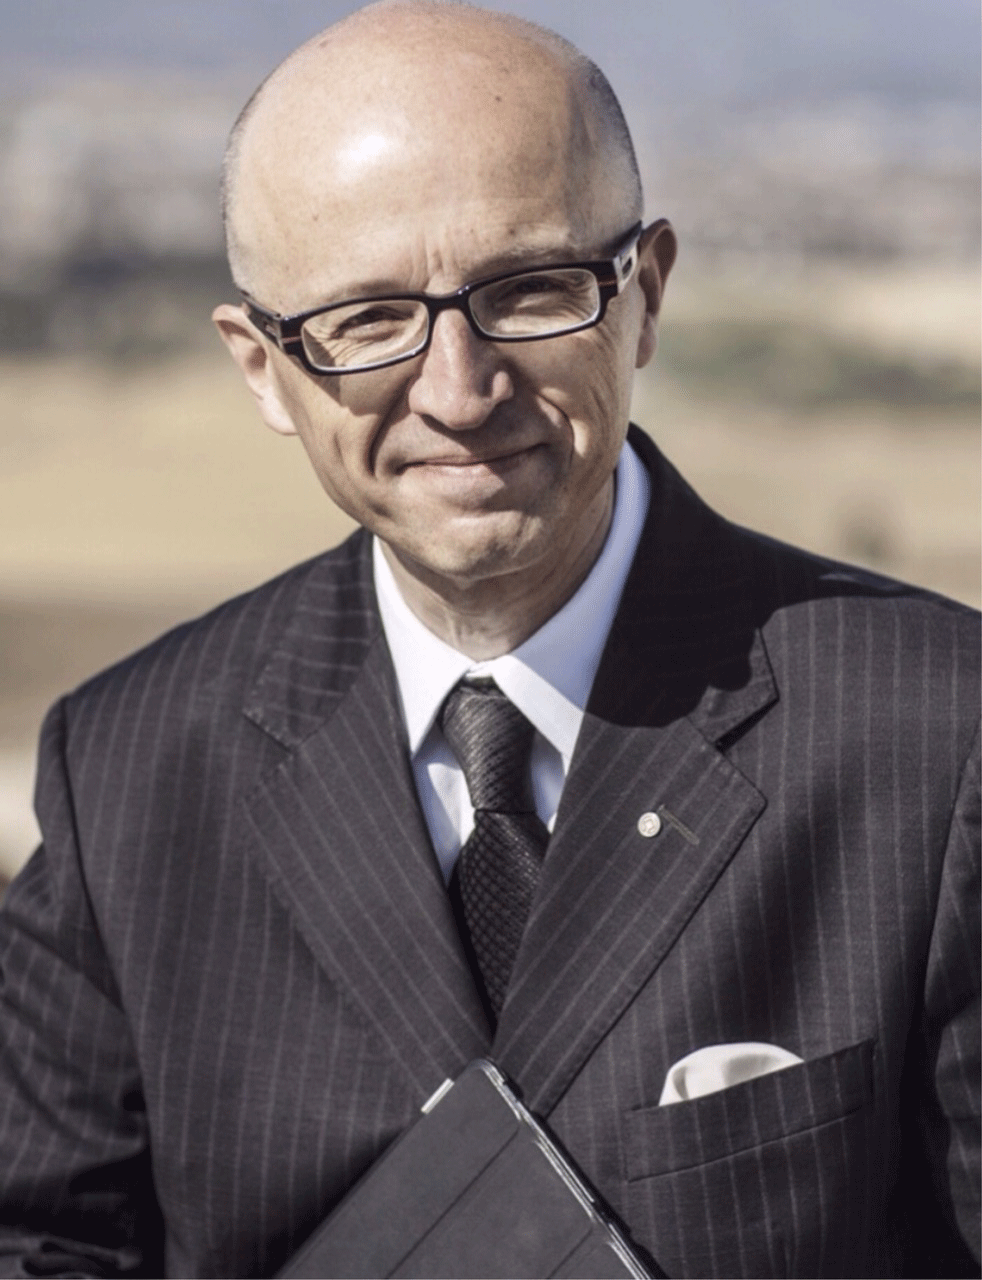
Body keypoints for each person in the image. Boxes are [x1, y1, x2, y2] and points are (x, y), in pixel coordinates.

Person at [0, 2, 978, 1276]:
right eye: (367, 317)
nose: (459, 391)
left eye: (528, 291)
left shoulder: (935, 740)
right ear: (260, 367)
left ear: (645, 295)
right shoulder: (128, 772)